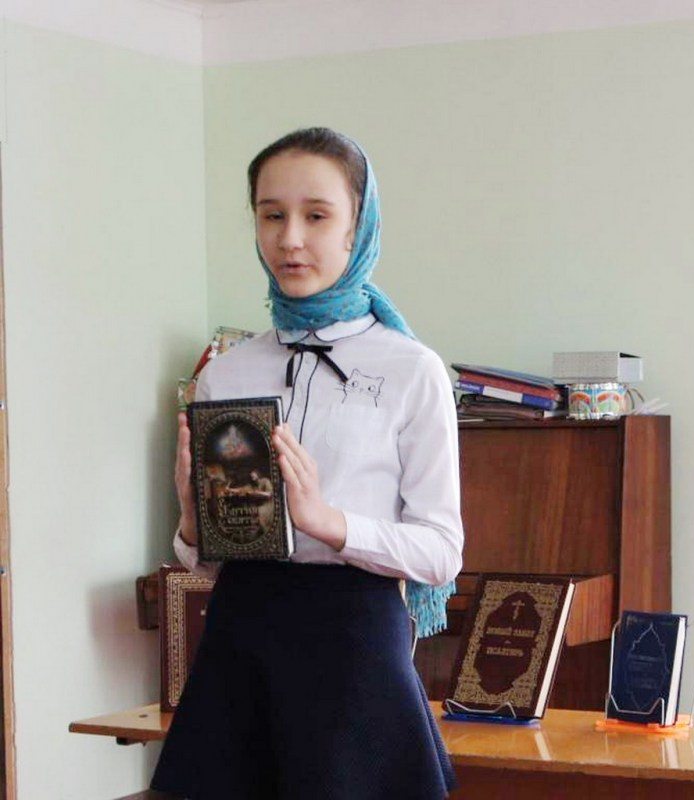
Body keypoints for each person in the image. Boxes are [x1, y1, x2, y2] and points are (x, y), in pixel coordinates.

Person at [149, 127, 463, 799]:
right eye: (272, 215)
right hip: (240, 637)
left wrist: (327, 521)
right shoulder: (226, 373)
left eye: (316, 216)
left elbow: (441, 552)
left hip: (355, 644)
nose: (290, 239)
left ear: (358, 226)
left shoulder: (412, 369)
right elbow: (210, 558)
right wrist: (192, 523)